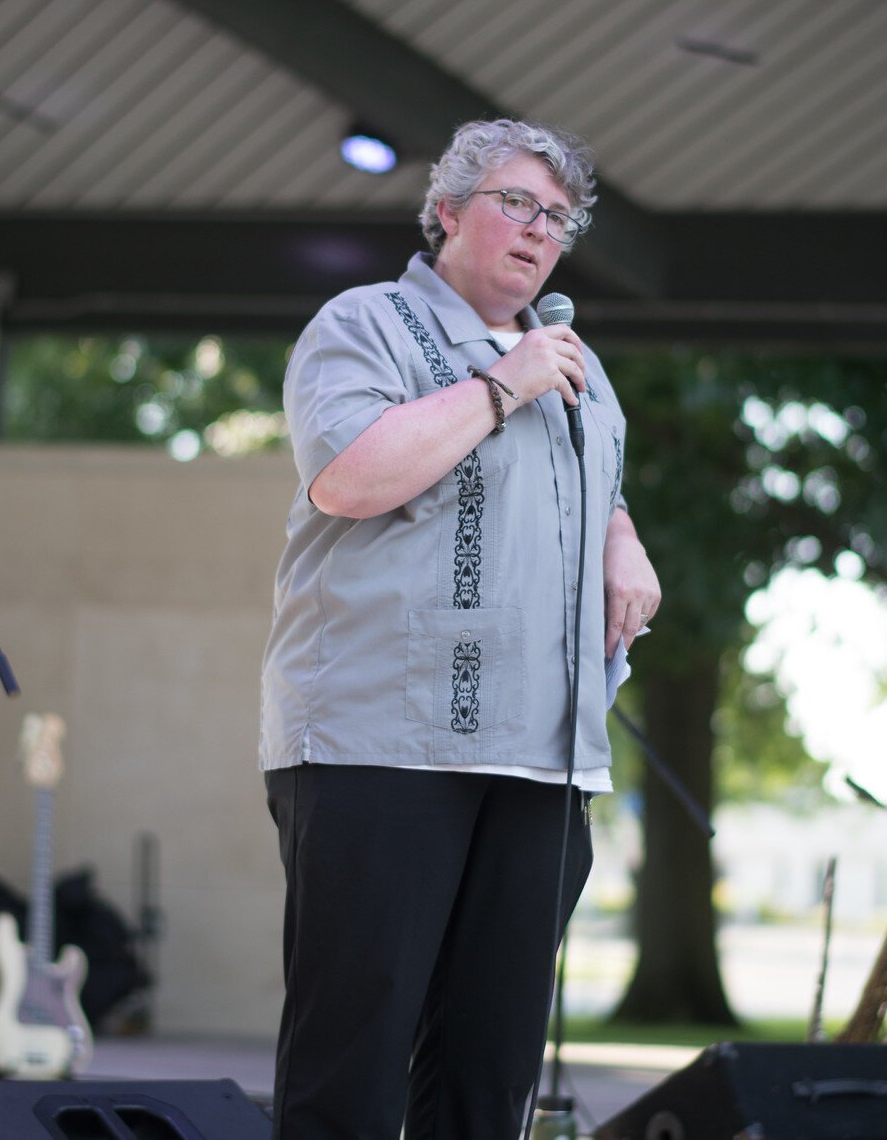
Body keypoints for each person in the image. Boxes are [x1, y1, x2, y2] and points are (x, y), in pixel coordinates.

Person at [260, 118, 662, 1139]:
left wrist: (621, 532)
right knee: (348, 1069)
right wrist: (498, 384)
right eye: (515, 204)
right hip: (380, 746)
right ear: (445, 213)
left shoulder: (576, 366)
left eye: (558, 218)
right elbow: (349, 475)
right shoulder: (366, 325)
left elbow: (580, 485)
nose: (540, 231)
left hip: (539, 760)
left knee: (488, 1079)